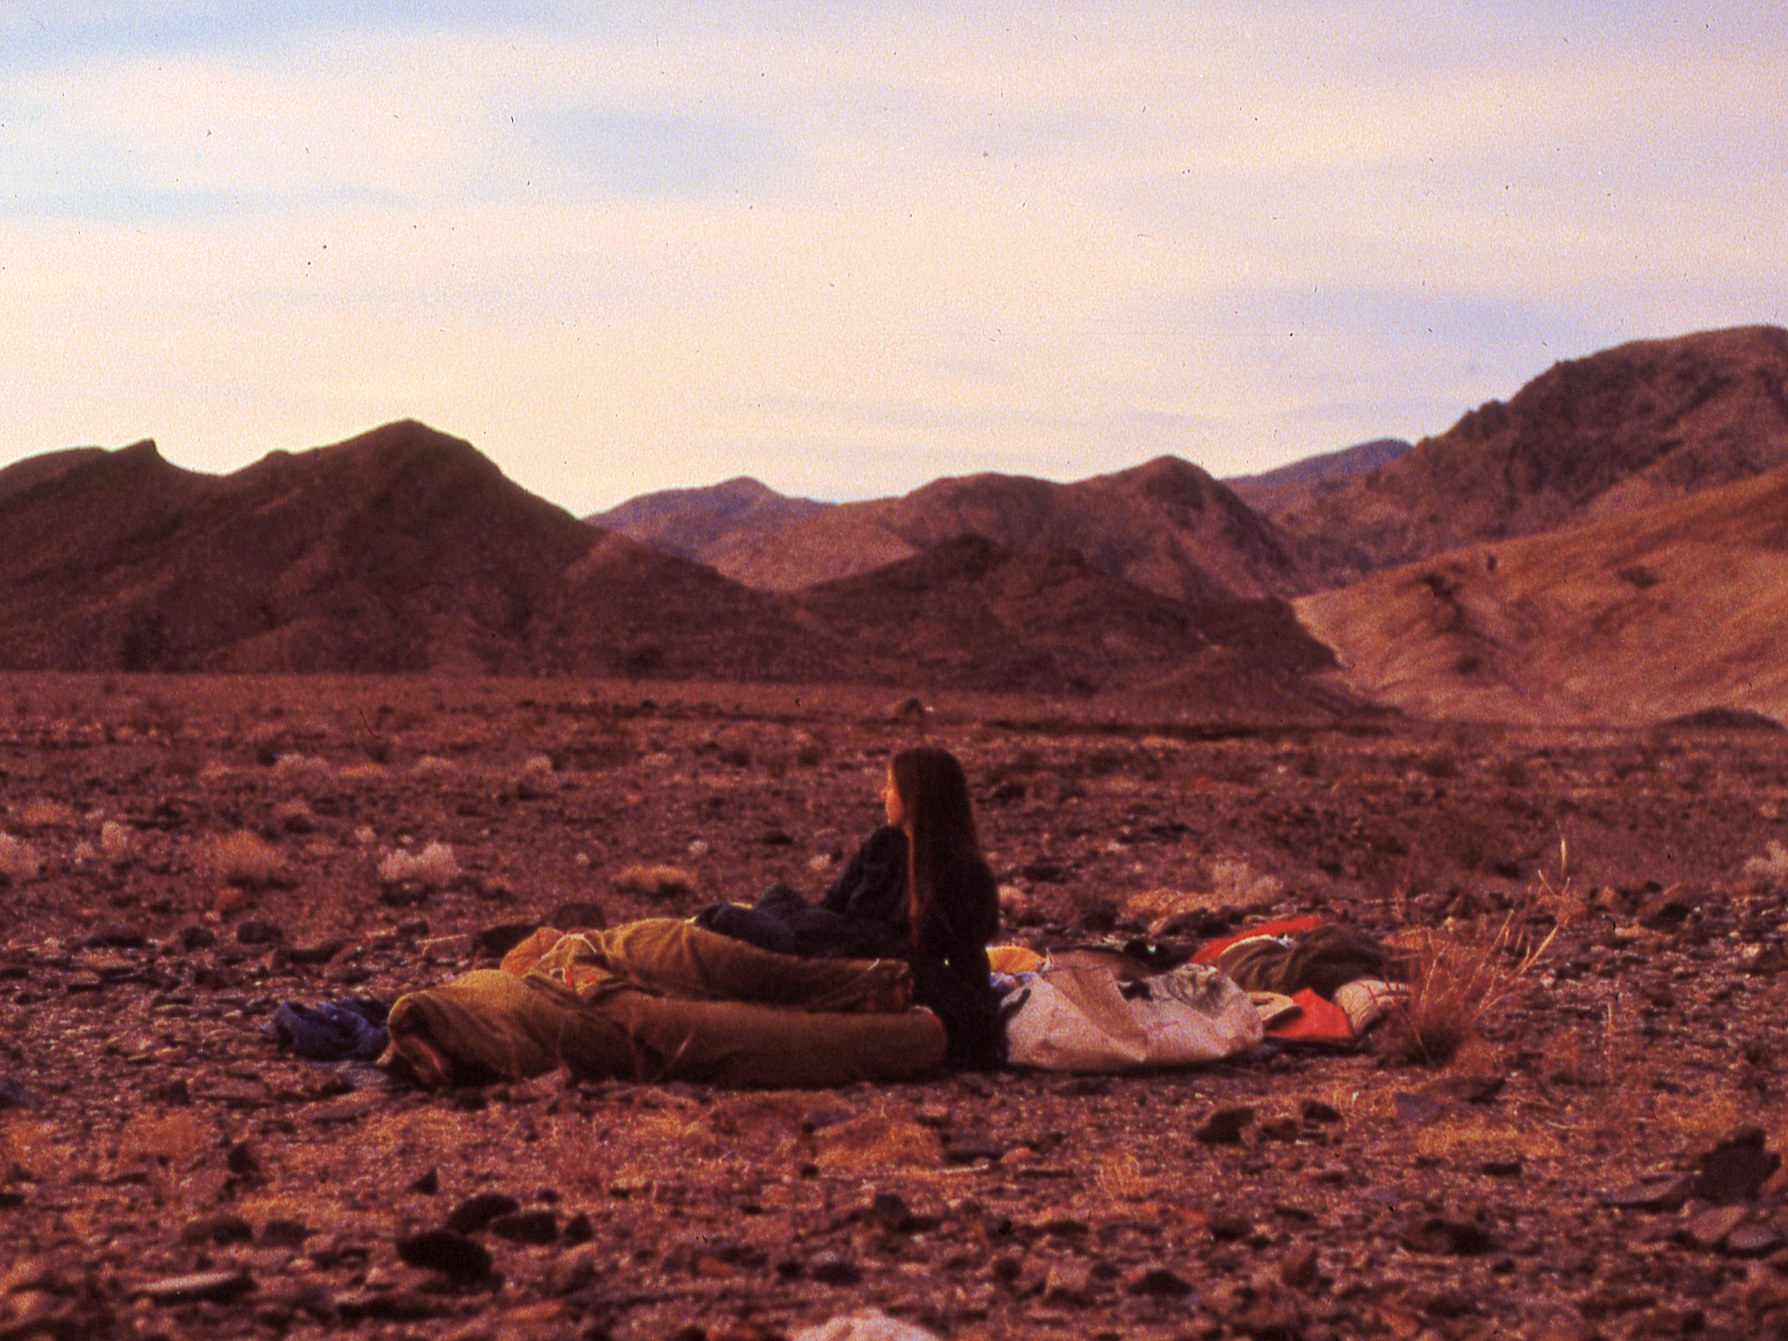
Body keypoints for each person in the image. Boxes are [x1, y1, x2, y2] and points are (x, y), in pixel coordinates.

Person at [696, 745, 1005, 1070]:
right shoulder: (883, 845)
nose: (883, 793)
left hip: (861, 970)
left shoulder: (964, 875)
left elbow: (966, 966)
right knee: (776, 895)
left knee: (725, 918)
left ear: (914, 796)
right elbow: (831, 906)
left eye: (891, 786)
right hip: (833, 942)